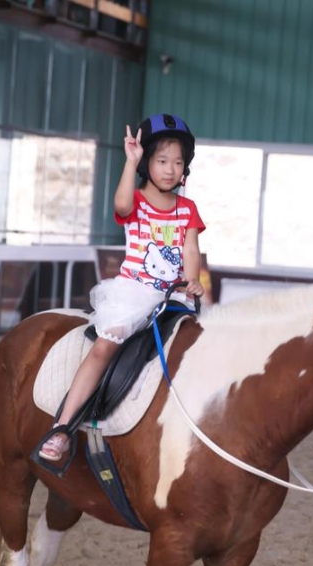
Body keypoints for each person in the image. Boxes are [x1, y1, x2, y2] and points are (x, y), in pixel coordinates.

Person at [39, 113, 205, 461]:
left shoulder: (187, 208)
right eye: (161, 160)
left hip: (174, 296)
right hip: (135, 293)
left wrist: (192, 280)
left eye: (177, 162)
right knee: (105, 346)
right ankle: (62, 426)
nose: (170, 169)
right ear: (147, 162)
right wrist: (129, 163)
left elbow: (190, 248)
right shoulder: (138, 202)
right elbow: (121, 204)